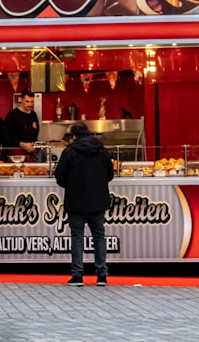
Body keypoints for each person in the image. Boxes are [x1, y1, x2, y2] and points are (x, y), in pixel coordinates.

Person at [54, 121, 114, 287]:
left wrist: (72, 185)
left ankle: (77, 275)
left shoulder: (69, 152)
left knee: (77, 237)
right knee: (99, 237)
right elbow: (110, 174)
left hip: (76, 201)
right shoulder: (101, 151)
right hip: (98, 201)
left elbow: (59, 176)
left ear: (74, 136)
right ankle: (102, 275)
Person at [5, 91, 40, 161]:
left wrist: (35, 144)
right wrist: (22, 144)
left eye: (32, 101)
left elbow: (35, 133)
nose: (30, 104)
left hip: (31, 154)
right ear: (21, 99)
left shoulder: (33, 114)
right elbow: (6, 137)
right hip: (16, 153)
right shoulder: (12, 115)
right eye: (27, 101)